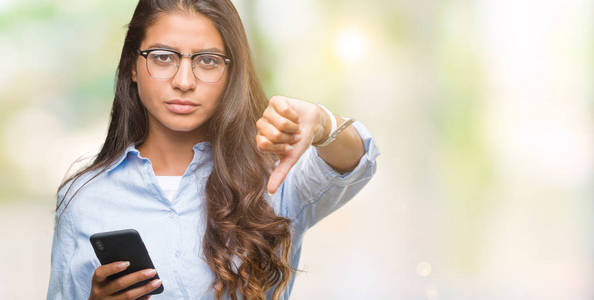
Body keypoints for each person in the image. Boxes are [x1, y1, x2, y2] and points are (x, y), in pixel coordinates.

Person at [46, 0, 379, 299]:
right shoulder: (83, 198)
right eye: (163, 57)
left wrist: (321, 123)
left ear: (230, 73)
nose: (185, 80)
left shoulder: (272, 179)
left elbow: (353, 160)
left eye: (207, 61)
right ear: (133, 66)